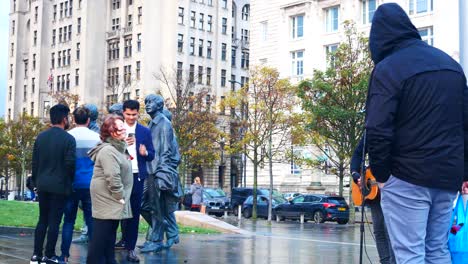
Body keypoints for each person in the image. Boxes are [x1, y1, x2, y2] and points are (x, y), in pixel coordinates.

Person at [365, 3, 468, 263]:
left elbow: (377, 127)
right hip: (447, 176)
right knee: (437, 250)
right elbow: (464, 124)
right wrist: (463, 172)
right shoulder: (451, 66)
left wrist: (381, 174)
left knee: (410, 253)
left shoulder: (388, 68)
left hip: (407, 176)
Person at [30, 104, 76, 264]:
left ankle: (36, 254)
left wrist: (35, 182)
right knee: (54, 222)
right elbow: (70, 164)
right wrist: (69, 181)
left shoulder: (41, 137)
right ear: (64, 118)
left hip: (42, 184)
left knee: (42, 219)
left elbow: (34, 163)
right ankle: (49, 254)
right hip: (60, 185)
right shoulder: (69, 139)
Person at [86, 115, 133, 264]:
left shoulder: (118, 148)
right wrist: (120, 195)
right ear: (112, 132)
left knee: (109, 237)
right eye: (120, 126)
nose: (124, 128)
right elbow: (113, 176)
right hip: (108, 198)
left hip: (112, 198)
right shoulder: (108, 151)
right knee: (100, 240)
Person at [114, 100, 155, 263]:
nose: (131, 117)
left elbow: (152, 154)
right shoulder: (116, 129)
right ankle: (116, 241)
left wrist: (145, 152)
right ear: (123, 113)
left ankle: (130, 248)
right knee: (116, 210)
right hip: (120, 175)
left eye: (134, 114)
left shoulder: (144, 131)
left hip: (137, 175)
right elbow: (109, 148)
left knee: (134, 213)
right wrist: (123, 143)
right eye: (128, 114)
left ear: (138, 113)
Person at [59, 107, 100, 263]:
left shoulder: (67, 137)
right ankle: (94, 256)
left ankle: (64, 255)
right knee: (91, 220)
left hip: (71, 184)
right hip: (90, 184)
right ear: (88, 120)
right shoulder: (97, 138)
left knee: (68, 220)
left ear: (73, 120)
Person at [140, 95, 180, 253]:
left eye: (151, 102)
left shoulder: (164, 123)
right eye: (146, 102)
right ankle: (164, 228)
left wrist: (161, 173)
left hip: (157, 172)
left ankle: (156, 239)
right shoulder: (152, 123)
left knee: (156, 207)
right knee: (143, 205)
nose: (147, 105)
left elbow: (166, 151)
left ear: (159, 105)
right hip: (149, 171)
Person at [350, 137, 395, 264]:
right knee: (379, 230)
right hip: (375, 196)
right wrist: (355, 174)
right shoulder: (369, 133)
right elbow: (358, 153)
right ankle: (385, 261)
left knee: (389, 231)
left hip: (392, 190)